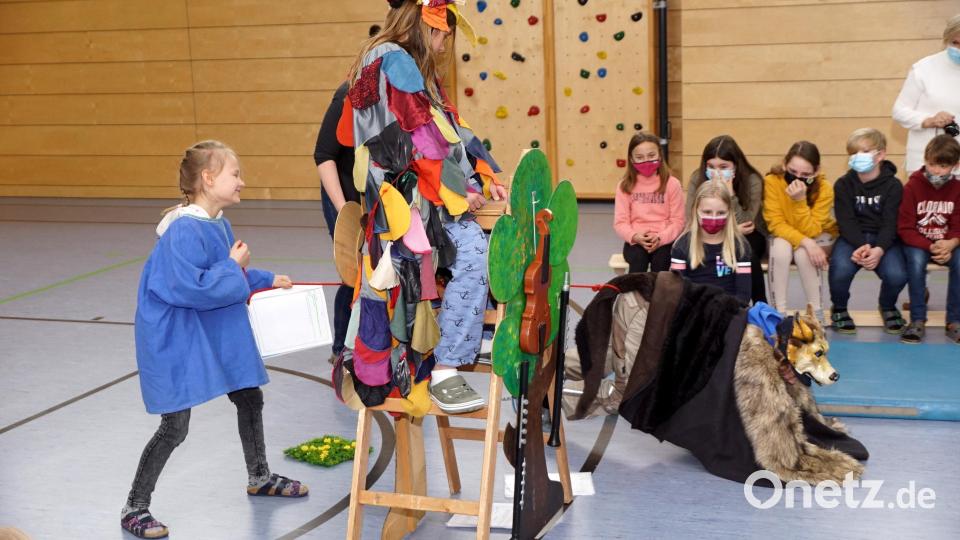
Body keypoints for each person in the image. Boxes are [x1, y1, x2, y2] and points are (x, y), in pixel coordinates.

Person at [121, 141, 307, 539]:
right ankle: (135, 507)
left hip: (204, 325)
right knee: (175, 425)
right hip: (174, 335)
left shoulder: (217, 223)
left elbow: (224, 275)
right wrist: (234, 266)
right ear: (208, 179)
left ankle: (259, 476)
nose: (242, 181)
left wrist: (264, 278)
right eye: (234, 174)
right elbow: (197, 287)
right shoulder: (183, 230)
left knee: (248, 395)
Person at [345, 0, 506, 414]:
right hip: (408, 200)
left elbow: (451, 129)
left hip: (415, 194)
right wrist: (456, 192)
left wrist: (483, 176)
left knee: (474, 246)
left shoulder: (407, 66)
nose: (442, 43)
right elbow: (417, 141)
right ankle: (447, 366)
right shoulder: (395, 61)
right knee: (473, 250)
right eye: (440, 34)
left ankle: (464, 329)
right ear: (423, 27)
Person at [313, 24, 380, 364]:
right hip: (342, 194)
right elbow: (323, 156)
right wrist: (345, 213)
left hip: (373, 194)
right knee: (352, 270)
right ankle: (341, 348)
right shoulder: (345, 96)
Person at [828, 128, 908, 334]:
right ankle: (839, 308)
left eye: (863, 152)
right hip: (852, 238)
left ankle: (888, 306)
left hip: (885, 239)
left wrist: (879, 249)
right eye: (853, 153)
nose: (856, 157)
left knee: (897, 274)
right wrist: (860, 245)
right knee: (840, 270)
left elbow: (891, 222)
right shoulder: (843, 184)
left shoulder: (894, 186)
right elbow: (846, 221)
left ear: (880, 154)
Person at [685, 135, 767, 303]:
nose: (717, 172)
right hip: (708, 230)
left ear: (735, 166)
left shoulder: (753, 180)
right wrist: (732, 229)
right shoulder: (697, 178)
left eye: (723, 166)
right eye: (711, 166)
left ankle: (760, 306)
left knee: (746, 252)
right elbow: (691, 216)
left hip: (749, 235)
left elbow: (746, 220)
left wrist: (730, 194)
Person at [763, 141, 838, 323]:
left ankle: (816, 313)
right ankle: (777, 313)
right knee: (780, 249)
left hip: (817, 235)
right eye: (793, 172)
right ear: (784, 165)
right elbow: (775, 223)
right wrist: (806, 241)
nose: (798, 178)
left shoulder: (825, 188)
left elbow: (812, 230)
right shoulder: (772, 182)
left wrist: (799, 201)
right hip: (784, 235)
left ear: (816, 171)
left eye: (805, 174)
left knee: (806, 255)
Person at [897, 134, 960, 344]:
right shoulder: (912, 187)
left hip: (948, 244)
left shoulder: (958, 189)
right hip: (919, 243)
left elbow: (958, 225)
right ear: (925, 160)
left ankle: (954, 321)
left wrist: (951, 243)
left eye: (943, 166)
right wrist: (931, 246)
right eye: (932, 164)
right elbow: (905, 228)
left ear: (955, 165)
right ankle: (917, 319)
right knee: (915, 262)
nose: (936, 170)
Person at [892, 14, 960, 175]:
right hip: (925, 163)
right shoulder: (924, 68)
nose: (958, 49)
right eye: (955, 43)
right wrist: (929, 120)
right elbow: (899, 111)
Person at [613, 131, 685, 273]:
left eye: (651, 156)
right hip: (636, 240)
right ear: (632, 160)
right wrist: (635, 236)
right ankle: (636, 294)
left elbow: (678, 221)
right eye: (640, 157)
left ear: (660, 155)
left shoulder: (672, 184)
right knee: (638, 260)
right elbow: (620, 222)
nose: (646, 161)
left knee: (662, 261)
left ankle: (658, 295)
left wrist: (660, 237)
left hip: (664, 239)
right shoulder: (624, 186)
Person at [671, 181, 752, 303]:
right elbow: (677, 291)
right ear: (695, 211)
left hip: (730, 311)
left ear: (729, 212)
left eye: (721, 213)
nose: (714, 218)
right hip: (694, 311)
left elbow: (743, 295)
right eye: (707, 212)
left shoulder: (740, 245)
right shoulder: (681, 245)